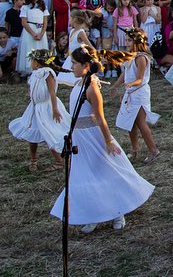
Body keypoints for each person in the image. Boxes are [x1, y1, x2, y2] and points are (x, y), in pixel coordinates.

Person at [49, 45, 155, 233]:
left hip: (92, 136)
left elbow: (100, 117)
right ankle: (93, 213)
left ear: (86, 65)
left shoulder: (91, 88)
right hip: (79, 137)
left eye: (74, 63)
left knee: (104, 172)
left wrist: (108, 141)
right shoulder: (78, 83)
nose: (71, 66)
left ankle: (117, 211)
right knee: (85, 176)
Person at [8, 48, 69, 172]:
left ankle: (59, 161)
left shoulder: (47, 73)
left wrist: (55, 109)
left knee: (48, 131)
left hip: (46, 107)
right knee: (32, 131)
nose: (31, 63)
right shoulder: (35, 73)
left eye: (32, 61)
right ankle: (33, 159)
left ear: (37, 62)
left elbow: (52, 93)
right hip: (35, 107)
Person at [110, 29, 161, 165]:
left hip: (139, 93)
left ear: (137, 42)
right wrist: (115, 86)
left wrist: (131, 84)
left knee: (140, 122)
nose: (126, 43)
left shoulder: (141, 58)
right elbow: (125, 73)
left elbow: (140, 78)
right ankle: (135, 149)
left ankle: (153, 150)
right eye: (126, 40)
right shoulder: (130, 56)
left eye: (129, 40)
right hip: (131, 91)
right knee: (130, 122)